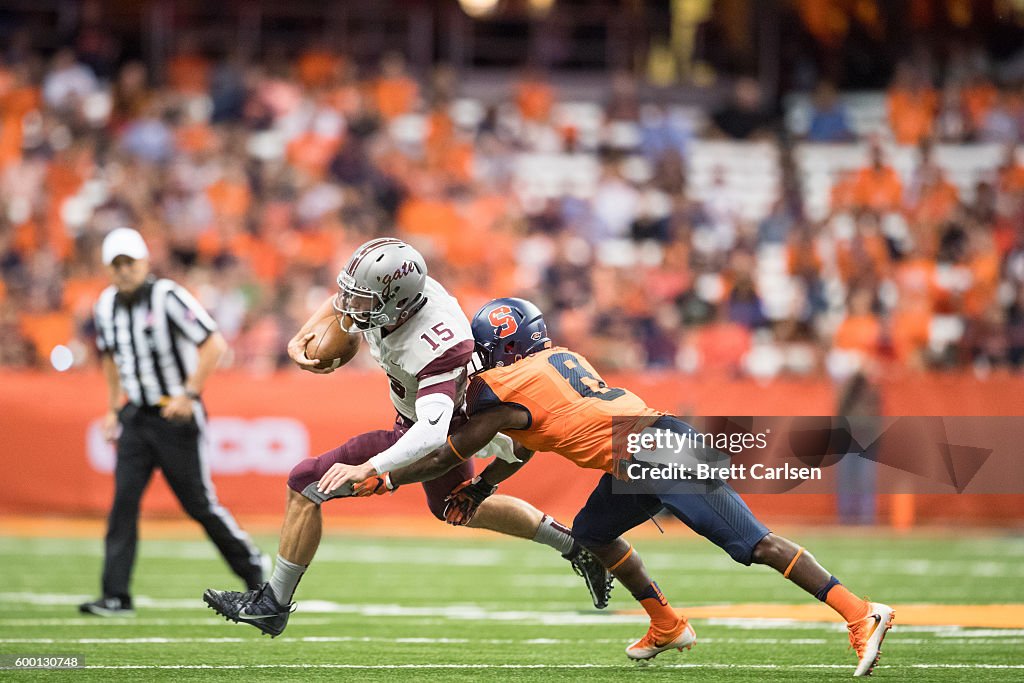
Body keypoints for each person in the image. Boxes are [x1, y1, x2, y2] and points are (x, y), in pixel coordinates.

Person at [320, 297, 895, 676]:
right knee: (592, 532)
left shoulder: (501, 387)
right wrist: (481, 486)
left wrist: (385, 473)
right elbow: (520, 444)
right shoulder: (555, 362)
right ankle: (667, 624)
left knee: (755, 545)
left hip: (657, 449)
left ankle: (860, 610)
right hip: (638, 452)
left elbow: (452, 447)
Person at [203, 239, 611, 636]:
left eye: (364, 301)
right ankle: (576, 546)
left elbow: (432, 433)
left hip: (439, 427)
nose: (351, 307)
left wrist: (371, 468)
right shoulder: (397, 294)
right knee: (454, 505)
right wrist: (301, 335)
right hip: (420, 418)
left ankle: (272, 606)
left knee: (306, 482)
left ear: (396, 303)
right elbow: (340, 299)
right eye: (355, 296)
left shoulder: (437, 341)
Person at [80, 228, 265, 617]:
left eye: (129, 262)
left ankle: (253, 569)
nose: (124, 270)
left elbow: (214, 344)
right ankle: (116, 595)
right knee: (123, 505)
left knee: (199, 504)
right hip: (137, 415)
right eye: (116, 265)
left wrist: (189, 394)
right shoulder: (106, 305)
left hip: (175, 417)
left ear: (145, 262)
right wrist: (114, 407)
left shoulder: (167, 296)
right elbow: (110, 358)